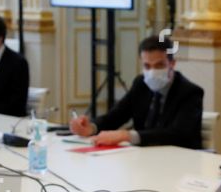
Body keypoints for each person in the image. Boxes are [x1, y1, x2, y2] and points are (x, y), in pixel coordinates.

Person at [69, 37, 204, 149]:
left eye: (159, 65)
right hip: (142, 158)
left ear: (172, 64)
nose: (152, 71)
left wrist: (127, 135)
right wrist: (91, 127)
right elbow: (117, 115)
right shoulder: (141, 83)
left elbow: (178, 134)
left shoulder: (190, 92)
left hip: (179, 162)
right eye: (147, 66)